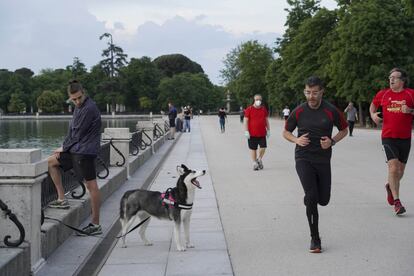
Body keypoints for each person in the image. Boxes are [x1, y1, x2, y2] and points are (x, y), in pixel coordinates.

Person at [283, 76, 348, 253]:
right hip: (303, 157)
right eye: (308, 92)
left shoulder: (331, 110)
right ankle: (315, 238)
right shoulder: (299, 111)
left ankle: (310, 198)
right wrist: (296, 139)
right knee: (312, 197)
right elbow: (286, 132)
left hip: (323, 159)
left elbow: (344, 129)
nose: (311, 96)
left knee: (324, 200)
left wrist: (332, 141)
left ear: (321, 92)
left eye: (314, 92)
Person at [47, 80, 103, 236]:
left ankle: (96, 224)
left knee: (92, 187)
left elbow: (77, 133)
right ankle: (61, 198)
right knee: (51, 162)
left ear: (83, 93)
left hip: (84, 153)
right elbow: (72, 132)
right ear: (70, 98)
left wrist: (64, 148)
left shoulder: (89, 108)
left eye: (79, 98)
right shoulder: (79, 108)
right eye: (74, 99)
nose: (77, 101)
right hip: (77, 151)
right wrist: (63, 147)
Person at [370, 67, 414, 215]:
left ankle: (390, 186)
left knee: (400, 172)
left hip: (405, 138)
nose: (391, 79)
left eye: (395, 77)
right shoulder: (383, 94)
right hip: (388, 137)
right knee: (393, 168)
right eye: (390, 77)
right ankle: (397, 202)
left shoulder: (410, 94)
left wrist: (410, 111)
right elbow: (373, 106)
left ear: (402, 80)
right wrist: (373, 115)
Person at [244, 94, 270, 170]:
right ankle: (255, 163)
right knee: (253, 149)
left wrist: (268, 130)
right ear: (254, 100)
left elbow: (266, 120)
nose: (258, 101)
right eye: (257, 99)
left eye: (260, 100)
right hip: (252, 133)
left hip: (262, 133)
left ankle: (259, 159)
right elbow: (245, 121)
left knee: (263, 147)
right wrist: (246, 131)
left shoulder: (263, 109)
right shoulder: (249, 109)